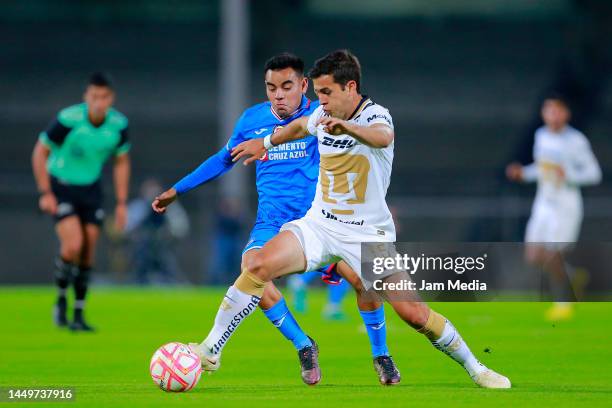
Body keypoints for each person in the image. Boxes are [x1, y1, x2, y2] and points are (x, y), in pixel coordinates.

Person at [186, 50, 511, 388]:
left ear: (350, 86)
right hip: (319, 225)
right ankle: (211, 349)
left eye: (325, 92)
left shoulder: (376, 116)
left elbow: (382, 137)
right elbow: (298, 126)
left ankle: (477, 368)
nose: (319, 100)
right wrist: (264, 142)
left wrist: (347, 127)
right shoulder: (321, 115)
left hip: (367, 236)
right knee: (255, 266)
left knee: (413, 313)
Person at [152, 53, 398, 385]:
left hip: (321, 222)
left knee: (362, 280)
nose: (278, 95)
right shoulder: (251, 120)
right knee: (252, 271)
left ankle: (381, 355)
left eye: (286, 86)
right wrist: (177, 190)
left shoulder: (323, 114)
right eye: (271, 88)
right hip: (273, 221)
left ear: (303, 85)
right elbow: (223, 160)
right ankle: (303, 344)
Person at [32, 72, 131, 331]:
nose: (99, 102)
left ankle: (78, 314)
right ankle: (61, 299)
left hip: (91, 189)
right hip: (61, 187)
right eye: (95, 96)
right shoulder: (69, 119)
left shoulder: (118, 125)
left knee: (88, 251)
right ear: (86, 97)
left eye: (104, 97)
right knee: (72, 246)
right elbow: (40, 152)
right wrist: (45, 193)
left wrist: (121, 203)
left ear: (111, 98)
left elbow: (121, 161)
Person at [506, 94, 601, 321]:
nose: (553, 115)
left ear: (566, 114)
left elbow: (594, 174)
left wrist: (569, 175)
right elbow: (542, 169)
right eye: (549, 111)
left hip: (565, 205)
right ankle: (572, 276)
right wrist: (524, 174)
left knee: (552, 253)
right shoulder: (541, 136)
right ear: (543, 114)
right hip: (543, 204)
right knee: (532, 255)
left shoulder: (576, 141)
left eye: (557, 111)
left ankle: (564, 301)